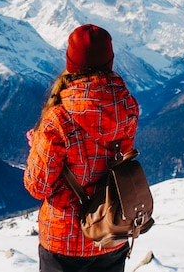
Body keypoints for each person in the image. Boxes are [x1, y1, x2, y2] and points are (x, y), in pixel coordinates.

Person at [24, 24, 140, 272]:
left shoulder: (59, 118)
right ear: (110, 61)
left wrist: (38, 146)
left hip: (63, 240)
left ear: (71, 63)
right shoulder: (128, 107)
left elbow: (38, 185)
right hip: (112, 230)